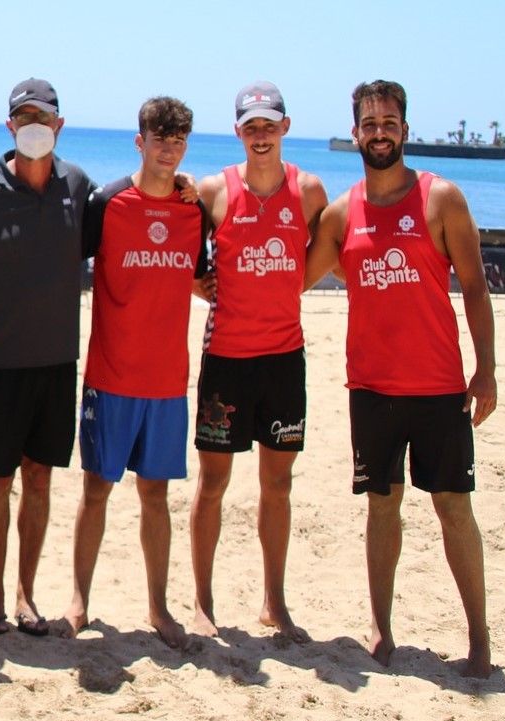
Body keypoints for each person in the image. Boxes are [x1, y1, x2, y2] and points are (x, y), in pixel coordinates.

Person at [305, 80, 496, 678]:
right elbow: (293, 276)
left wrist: (485, 369)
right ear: (356, 131)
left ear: (404, 130)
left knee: (453, 508)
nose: (379, 131)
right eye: (369, 122)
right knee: (381, 507)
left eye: (389, 121)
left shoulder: (443, 200)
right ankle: (382, 630)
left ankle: (479, 637)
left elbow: (475, 286)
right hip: (372, 390)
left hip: (439, 387)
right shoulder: (340, 213)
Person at [59, 97, 206, 649]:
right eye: (159, 137)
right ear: (139, 140)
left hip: (168, 382)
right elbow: (62, 258)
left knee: (156, 496)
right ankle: (78, 600)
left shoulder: (195, 210)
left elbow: (204, 276)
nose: (168, 148)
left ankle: (159, 608)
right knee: (95, 490)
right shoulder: (108, 202)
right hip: (110, 376)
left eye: (178, 139)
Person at [188, 82, 328, 642]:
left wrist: (289, 287)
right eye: (251, 126)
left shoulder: (311, 191)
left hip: (283, 360)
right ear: (238, 131)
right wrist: (205, 287)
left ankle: (275, 602)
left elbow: (323, 254)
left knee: (278, 483)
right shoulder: (212, 190)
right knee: (212, 482)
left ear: (286, 128)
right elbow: (186, 259)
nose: (261, 134)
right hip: (225, 358)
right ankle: (202, 603)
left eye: (270, 125)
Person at [0, 79, 92, 636]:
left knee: (40, 480)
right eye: (24, 116)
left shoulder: (78, 186)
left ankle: (26, 595)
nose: (34, 124)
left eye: (44, 116)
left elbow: (127, 217)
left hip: (57, 365)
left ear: (60, 124)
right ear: (9, 125)